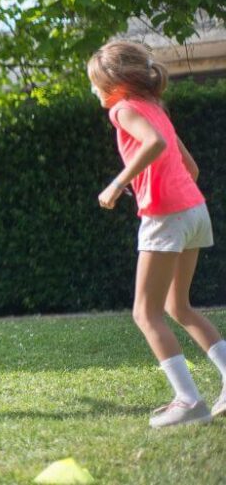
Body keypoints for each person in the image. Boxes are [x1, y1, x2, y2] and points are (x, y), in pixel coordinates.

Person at [90, 40, 226, 427]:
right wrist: (152, 180)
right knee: (178, 307)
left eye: (96, 83)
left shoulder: (123, 109)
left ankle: (188, 400)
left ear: (117, 83)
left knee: (145, 313)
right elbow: (191, 169)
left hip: (166, 216)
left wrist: (118, 184)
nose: (95, 91)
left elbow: (154, 145)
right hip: (194, 210)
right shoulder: (155, 109)